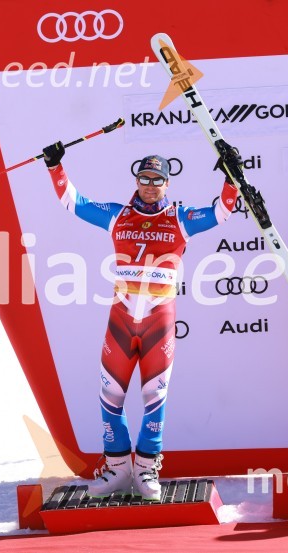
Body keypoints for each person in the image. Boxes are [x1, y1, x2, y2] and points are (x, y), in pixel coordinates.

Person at [42, 141, 240, 499]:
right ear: (136, 181)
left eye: (157, 179)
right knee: (110, 396)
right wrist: (55, 166)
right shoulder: (117, 215)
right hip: (120, 322)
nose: (150, 185)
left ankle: (147, 469)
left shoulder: (180, 218)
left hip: (158, 324)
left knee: (155, 398)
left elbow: (222, 212)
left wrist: (230, 178)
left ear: (167, 183)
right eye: (144, 178)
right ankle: (117, 469)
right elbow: (73, 202)